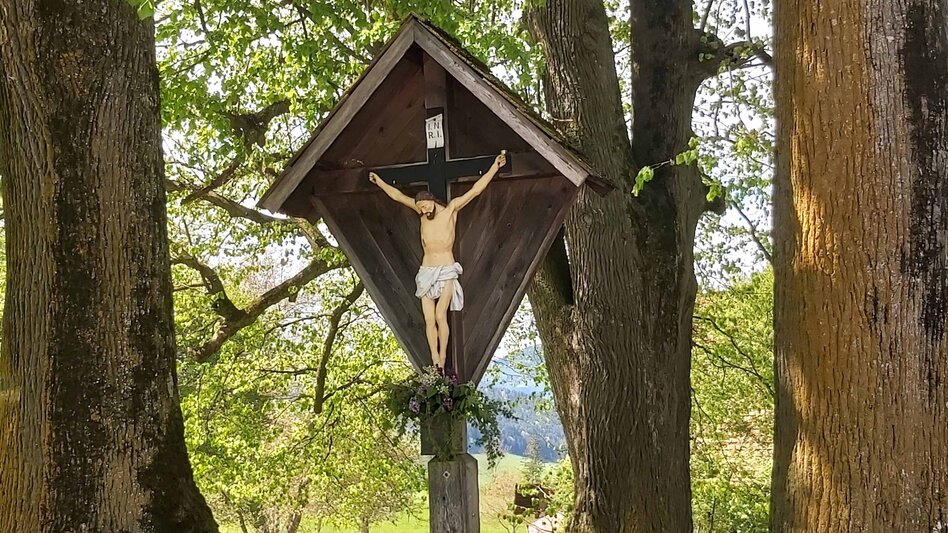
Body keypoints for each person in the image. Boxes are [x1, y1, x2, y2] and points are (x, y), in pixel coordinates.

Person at [368, 151, 507, 368]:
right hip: (426, 269)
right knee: (429, 318)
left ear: (431, 200)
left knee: (441, 315)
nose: (423, 210)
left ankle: (442, 356)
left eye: (424, 206)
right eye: (420, 208)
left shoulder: (451, 210)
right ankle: (434, 358)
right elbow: (397, 196)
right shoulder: (422, 214)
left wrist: (494, 167)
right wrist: (379, 182)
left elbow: (476, 190)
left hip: (446, 269)